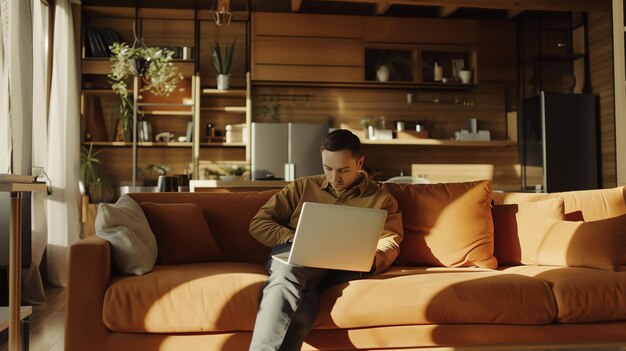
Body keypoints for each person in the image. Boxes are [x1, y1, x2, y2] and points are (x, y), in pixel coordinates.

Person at [248, 129, 403, 351]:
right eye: (327, 168)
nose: (334, 178)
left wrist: (371, 260)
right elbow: (259, 222)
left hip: (341, 266)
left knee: (305, 291)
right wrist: (294, 238)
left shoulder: (382, 200)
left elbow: (389, 241)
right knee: (289, 275)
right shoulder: (302, 187)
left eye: (343, 170)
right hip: (294, 255)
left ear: (360, 162)